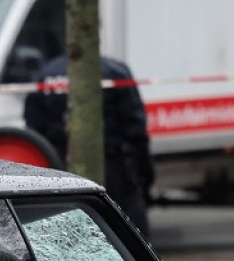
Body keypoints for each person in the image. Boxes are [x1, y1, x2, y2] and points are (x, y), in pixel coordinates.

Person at [24, 54, 155, 235]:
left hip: (59, 171)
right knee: (129, 236)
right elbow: (136, 132)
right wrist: (146, 176)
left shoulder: (45, 74)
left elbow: (34, 133)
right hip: (114, 172)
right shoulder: (115, 72)